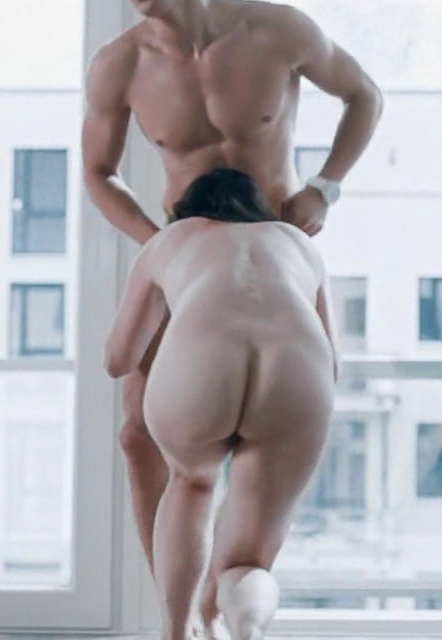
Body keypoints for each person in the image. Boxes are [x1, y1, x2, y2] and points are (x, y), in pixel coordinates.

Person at [66, 0, 382, 623]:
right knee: (137, 434)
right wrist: (158, 242)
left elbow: (363, 95)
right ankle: (181, 615)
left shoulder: (277, 30)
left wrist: (325, 188)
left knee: (262, 435)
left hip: (276, 244)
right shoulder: (118, 66)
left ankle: (222, 593)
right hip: (183, 258)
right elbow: (97, 173)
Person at [105, 168, 338, 640]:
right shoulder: (299, 244)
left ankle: (177, 632)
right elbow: (333, 361)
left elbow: (117, 359)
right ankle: (247, 629)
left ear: (184, 210)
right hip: (297, 371)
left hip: (202, 363)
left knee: (191, 483)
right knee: (247, 561)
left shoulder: (171, 240)